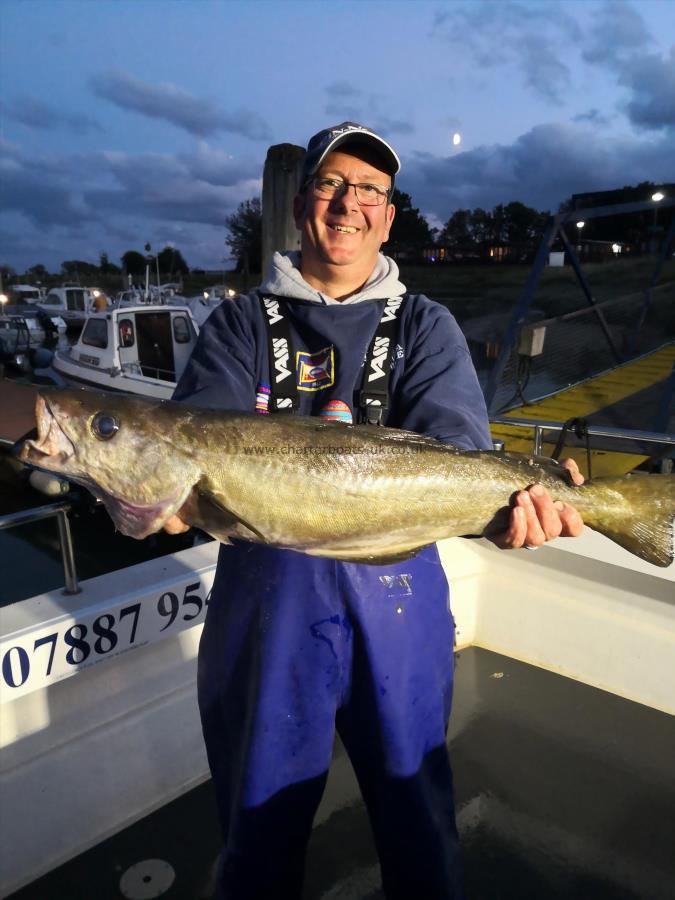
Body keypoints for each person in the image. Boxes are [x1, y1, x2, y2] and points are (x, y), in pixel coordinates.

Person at [167, 122, 583, 899]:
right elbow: (195, 443)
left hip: (399, 604)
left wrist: (510, 510)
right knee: (255, 836)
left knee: (417, 818)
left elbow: (459, 448)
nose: (348, 202)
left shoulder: (425, 325)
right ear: (301, 204)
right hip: (265, 609)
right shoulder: (237, 324)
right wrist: (157, 496)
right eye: (331, 184)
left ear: (389, 215)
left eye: (369, 190)